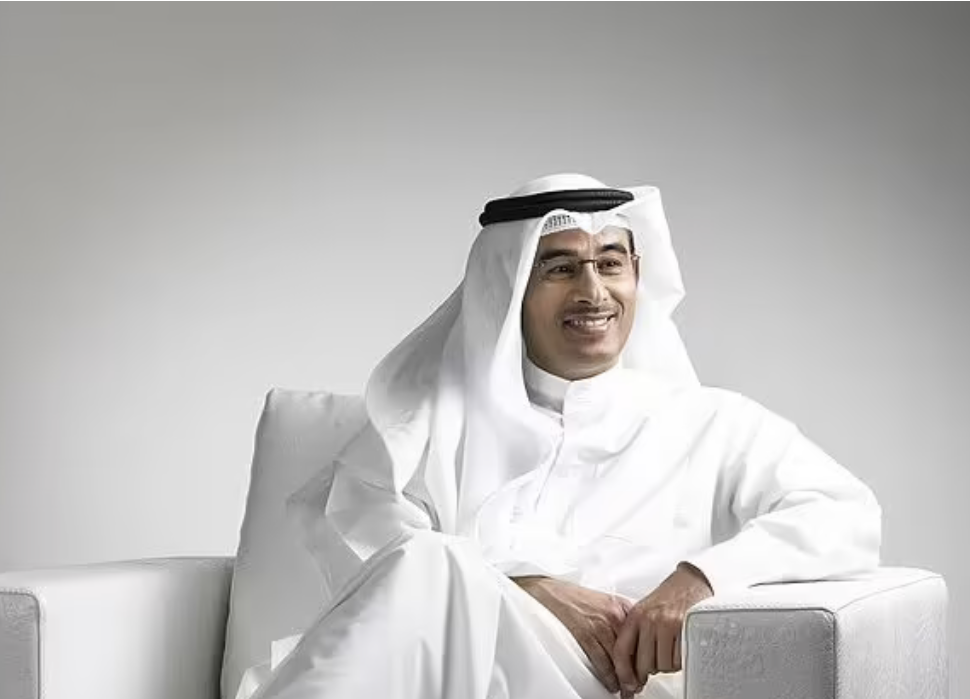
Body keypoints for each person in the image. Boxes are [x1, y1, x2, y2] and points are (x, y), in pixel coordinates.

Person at [253, 173, 881, 699]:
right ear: (509, 290)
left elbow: (845, 513)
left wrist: (697, 578)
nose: (593, 291)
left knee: (433, 561)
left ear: (636, 275)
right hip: (451, 680)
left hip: (607, 686)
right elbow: (363, 549)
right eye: (561, 268)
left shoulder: (713, 423)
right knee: (428, 563)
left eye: (610, 263)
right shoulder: (435, 423)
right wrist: (530, 586)